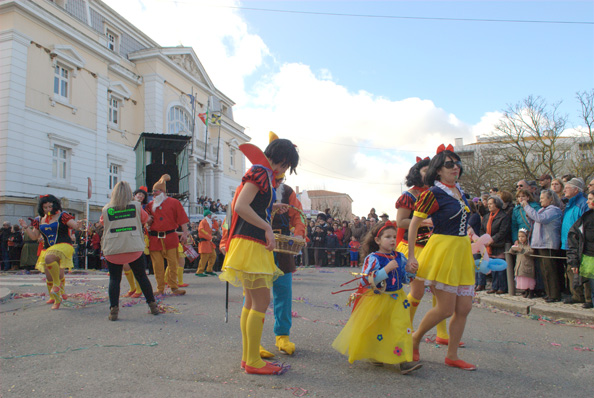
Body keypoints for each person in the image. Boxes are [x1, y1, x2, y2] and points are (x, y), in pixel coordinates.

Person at [218, 137, 298, 375]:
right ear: (281, 159)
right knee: (260, 302)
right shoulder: (261, 172)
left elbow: (248, 205)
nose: (283, 170)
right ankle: (253, 360)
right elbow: (240, 206)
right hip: (252, 243)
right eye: (284, 165)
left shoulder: (261, 172)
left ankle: (248, 357)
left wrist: (269, 209)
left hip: (248, 242)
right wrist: (267, 227)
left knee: (253, 302)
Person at [407, 144, 476, 370]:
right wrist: (411, 255)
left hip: (461, 251)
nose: (455, 167)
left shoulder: (460, 192)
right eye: (449, 164)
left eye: (457, 164)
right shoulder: (433, 193)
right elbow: (414, 223)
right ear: (438, 170)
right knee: (446, 309)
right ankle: (415, 338)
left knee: (464, 308)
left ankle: (452, 355)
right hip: (443, 251)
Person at [332, 221, 422, 374]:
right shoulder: (373, 258)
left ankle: (404, 361)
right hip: (378, 299)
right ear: (378, 240)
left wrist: (411, 271)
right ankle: (376, 354)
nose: (392, 240)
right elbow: (365, 280)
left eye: (394, 236)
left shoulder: (400, 257)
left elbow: (406, 279)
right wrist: (386, 269)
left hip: (398, 299)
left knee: (401, 327)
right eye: (387, 237)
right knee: (378, 328)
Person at [396, 156, 452, 346]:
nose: (427, 173)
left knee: (440, 291)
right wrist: (424, 221)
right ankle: (406, 330)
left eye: (430, 170)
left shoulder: (439, 192)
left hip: (435, 247)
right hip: (415, 248)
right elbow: (400, 222)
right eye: (423, 170)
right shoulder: (409, 195)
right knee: (418, 291)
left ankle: (442, 333)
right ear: (416, 173)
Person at [261, 160, 306, 357]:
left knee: (284, 292)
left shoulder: (288, 192)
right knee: (256, 296)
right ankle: (254, 340)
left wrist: (298, 233)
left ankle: (282, 335)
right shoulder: (256, 187)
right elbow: (241, 212)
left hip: (284, 247)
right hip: (259, 245)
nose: (278, 182)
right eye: (275, 179)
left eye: (281, 178)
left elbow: (298, 216)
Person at [100, 181, 160, 320]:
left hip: (113, 247)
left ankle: (113, 310)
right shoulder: (136, 206)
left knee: (114, 279)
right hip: (133, 246)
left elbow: (103, 223)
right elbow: (145, 219)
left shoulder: (106, 209)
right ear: (129, 193)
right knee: (141, 277)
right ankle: (153, 306)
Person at [19, 195, 83, 309]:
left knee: (54, 265)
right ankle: (56, 299)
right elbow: (34, 237)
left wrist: (78, 226)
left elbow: (75, 226)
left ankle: (57, 285)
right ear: (42, 208)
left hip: (64, 246)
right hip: (48, 248)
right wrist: (25, 227)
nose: (48, 209)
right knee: (49, 276)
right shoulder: (38, 220)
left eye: (50, 206)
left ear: (55, 205)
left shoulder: (63, 216)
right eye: (45, 207)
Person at [146, 174, 190, 296]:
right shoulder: (150, 206)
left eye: (157, 191)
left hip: (170, 237)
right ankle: (160, 288)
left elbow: (182, 218)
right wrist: (147, 220)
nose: (154, 193)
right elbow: (146, 221)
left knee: (173, 264)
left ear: (163, 192)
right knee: (157, 266)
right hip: (155, 238)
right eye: (153, 191)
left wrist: (185, 233)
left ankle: (174, 287)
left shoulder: (174, 202)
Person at [520, 189, 563, 302]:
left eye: (543, 198)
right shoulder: (542, 210)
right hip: (539, 244)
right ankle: (549, 293)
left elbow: (541, 219)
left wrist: (527, 206)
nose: (540, 200)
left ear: (550, 199)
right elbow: (535, 221)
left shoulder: (554, 210)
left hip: (548, 244)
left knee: (550, 271)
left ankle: (554, 294)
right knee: (544, 271)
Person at [560, 178, 589, 304]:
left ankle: (583, 296)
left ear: (576, 189)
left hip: (578, 242)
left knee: (578, 270)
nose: (564, 189)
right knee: (570, 270)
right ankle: (576, 294)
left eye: (567, 187)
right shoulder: (568, 204)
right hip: (568, 242)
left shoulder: (583, 203)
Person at [567, 190, 594, 309]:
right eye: (588, 198)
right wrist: (573, 260)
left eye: (591, 199)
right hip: (589, 258)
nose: (588, 201)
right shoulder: (586, 217)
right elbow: (573, 236)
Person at [480, 195, 511, 294]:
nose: (488, 206)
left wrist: (492, 239)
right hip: (489, 245)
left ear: (497, 204)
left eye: (491, 204)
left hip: (499, 244)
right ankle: (494, 286)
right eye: (488, 204)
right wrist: (484, 239)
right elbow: (482, 229)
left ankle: (502, 287)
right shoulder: (486, 217)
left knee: (500, 267)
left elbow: (503, 231)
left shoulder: (503, 216)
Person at [123, 186, 150, 298]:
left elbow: (147, 219)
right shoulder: (125, 204)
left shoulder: (142, 208)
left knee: (136, 264)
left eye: (143, 196)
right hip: (125, 236)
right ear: (134, 195)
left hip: (137, 236)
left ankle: (139, 289)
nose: (140, 196)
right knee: (125, 264)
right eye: (139, 194)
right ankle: (132, 288)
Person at [509, 229, 536, 298]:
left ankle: (531, 291)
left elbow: (531, 252)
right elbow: (511, 252)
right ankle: (525, 290)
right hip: (520, 265)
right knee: (522, 279)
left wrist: (522, 250)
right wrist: (513, 248)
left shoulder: (529, 245)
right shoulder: (519, 244)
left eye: (522, 237)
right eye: (519, 236)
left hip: (527, 264)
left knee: (528, 279)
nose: (520, 238)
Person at [195, 209, 217, 277]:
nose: (211, 216)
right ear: (208, 215)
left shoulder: (209, 222)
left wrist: (214, 220)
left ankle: (209, 270)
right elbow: (201, 230)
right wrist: (209, 236)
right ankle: (199, 271)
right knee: (204, 258)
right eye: (210, 215)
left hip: (209, 242)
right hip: (204, 242)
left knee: (213, 256)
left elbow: (216, 228)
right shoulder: (203, 222)